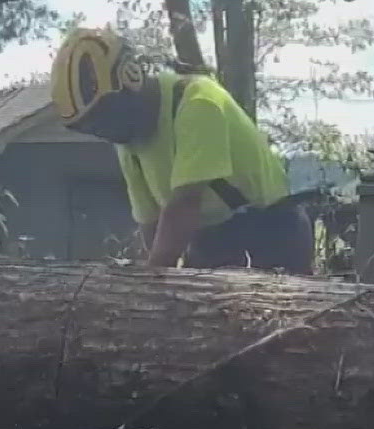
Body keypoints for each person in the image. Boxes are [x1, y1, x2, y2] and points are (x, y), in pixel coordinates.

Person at [49, 27, 313, 274]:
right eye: (96, 128)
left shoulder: (197, 100)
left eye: (108, 119)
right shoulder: (129, 144)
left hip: (271, 231)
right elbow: (151, 223)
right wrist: (153, 277)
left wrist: (152, 278)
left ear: (131, 77)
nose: (107, 131)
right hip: (211, 239)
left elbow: (185, 203)